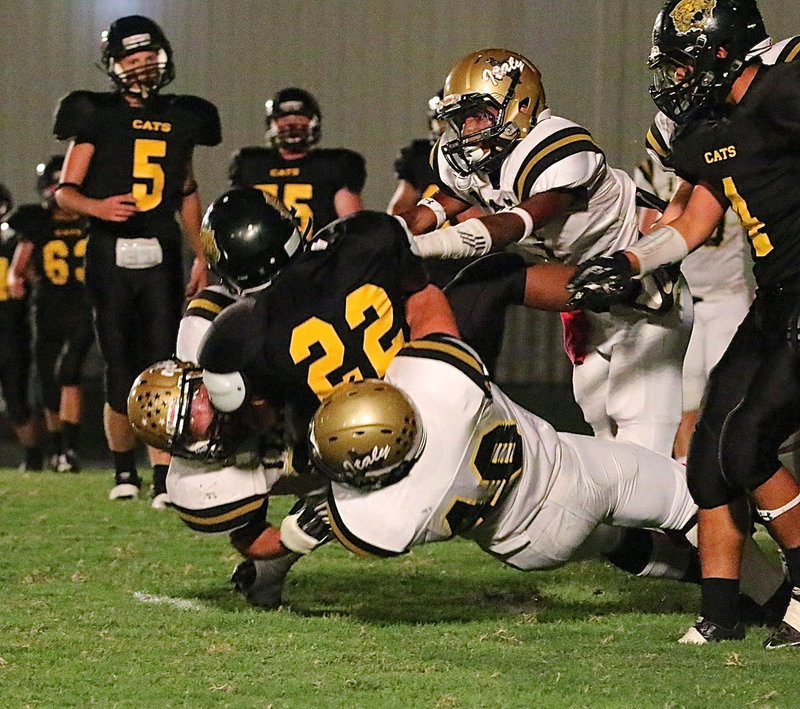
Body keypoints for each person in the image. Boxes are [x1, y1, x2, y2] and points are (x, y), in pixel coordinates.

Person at [162, 333, 788, 620]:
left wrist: (269, 566)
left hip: (527, 544)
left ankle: (711, 587)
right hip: (570, 469)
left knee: (615, 544)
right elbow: (436, 328)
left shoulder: (378, 509)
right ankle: (767, 595)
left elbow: (299, 531)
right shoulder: (443, 392)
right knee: (698, 494)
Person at [567, 0, 800, 648]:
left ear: (721, 51)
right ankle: (722, 611)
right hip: (776, 295)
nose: (672, 77)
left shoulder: (786, 86)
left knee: (752, 442)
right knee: (709, 458)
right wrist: (626, 261)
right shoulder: (704, 125)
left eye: (681, 61)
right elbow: (692, 223)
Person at [129, 187, 457, 603]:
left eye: (202, 401)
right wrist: (300, 532)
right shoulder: (200, 466)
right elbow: (249, 537)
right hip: (328, 436)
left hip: (373, 407)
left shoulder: (221, 335)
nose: (210, 418)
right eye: (194, 428)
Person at [398, 48, 691, 455]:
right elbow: (432, 208)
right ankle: (455, 400)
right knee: (601, 429)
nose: (466, 128)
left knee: (642, 447)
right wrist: (385, 237)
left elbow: (516, 223)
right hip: (584, 295)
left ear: (519, 104)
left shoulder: (555, 144)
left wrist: (425, 246)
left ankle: (697, 512)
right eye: (461, 117)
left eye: (478, 114)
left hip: (641, 293)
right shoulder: (473, 159)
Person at [53, 15, 221, 502]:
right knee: (119, 364)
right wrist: (97, 207)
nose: (143, 66)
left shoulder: (181, 116)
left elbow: (187, 190)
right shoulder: (95, 114)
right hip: (108, 249)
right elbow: (66, 192)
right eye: (132, 58)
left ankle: (164, 476)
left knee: (163, 362)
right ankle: (123, 471)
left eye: (149, 56)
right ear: (113, 65)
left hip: (163, 246)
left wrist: (202, 254)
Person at [633, 156, 754, 462]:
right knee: (685, 408)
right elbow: (648, 231)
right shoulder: (653, 168)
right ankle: (694, 501)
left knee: (737, 404)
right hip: (682, 297)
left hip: (727, 295)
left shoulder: (733, 155)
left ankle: (734, 491)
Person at [7, 156, 94, 472]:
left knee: (67, 371)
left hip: (84, 304)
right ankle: (58, 449)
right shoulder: (37, 221)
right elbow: (19, 265)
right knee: (48, 380)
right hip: (48, 307)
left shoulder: (90, 217)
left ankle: (70, 449)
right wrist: (20, 279)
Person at [229, 88, 364, 235]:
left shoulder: (334, 165)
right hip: (261, 254)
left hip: (317, 255)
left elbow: (353, 228)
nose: (292, 124)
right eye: (284, 119)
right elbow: (236, 221)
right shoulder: (251, 164)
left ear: (313, 122)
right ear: (272, 123)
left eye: (299, 118)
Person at [387, 91, 485, 289]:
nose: (445, 127)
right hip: (427, 257)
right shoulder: (421, 157)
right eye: (441, 120)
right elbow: (398, 209)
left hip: (468, 255)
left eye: (451, 120)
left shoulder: (482, 154)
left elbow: (478, 221)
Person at [0, 184, 43, 470]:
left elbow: (35, 277)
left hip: (10, 330)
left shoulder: (16, 239)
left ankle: (33, 456)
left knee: (16, 403)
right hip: (11, 330)